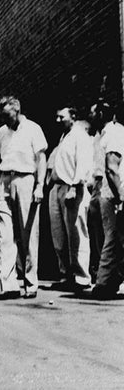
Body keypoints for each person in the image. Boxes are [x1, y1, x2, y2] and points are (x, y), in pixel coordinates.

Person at [0, 96, 47, 299]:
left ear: (17, 110)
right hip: (4, 180)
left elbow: (41, 158)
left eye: (7, 115)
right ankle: (9, 284)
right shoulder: (2, 131)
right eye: (1, 115)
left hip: (25, 180)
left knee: (28, 233)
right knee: (5, 235)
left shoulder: (33, 129)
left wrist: (39, 186)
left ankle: (31, 283)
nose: (4, 119)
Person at [48, 107, 94, 291]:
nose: (58, 120)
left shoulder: (80, 136)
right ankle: (66, 273)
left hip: (73, 188)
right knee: (59, 235)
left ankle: (81, 277)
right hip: (57, 187)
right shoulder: (64, 136)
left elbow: (83, 163)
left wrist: (75, 186)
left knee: (76, 234)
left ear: (73, 117)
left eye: (62, 117)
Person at [90, 102, 124, 299]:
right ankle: (104, 283)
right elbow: (111, 168)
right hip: (113, 193)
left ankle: (107, 281)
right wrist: (120, 196)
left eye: (93, 113)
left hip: (111, 192)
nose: (90, 117)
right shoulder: (109, 133)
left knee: (112, 238)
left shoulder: (112, 133)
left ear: (102, 113)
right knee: (113, 238)